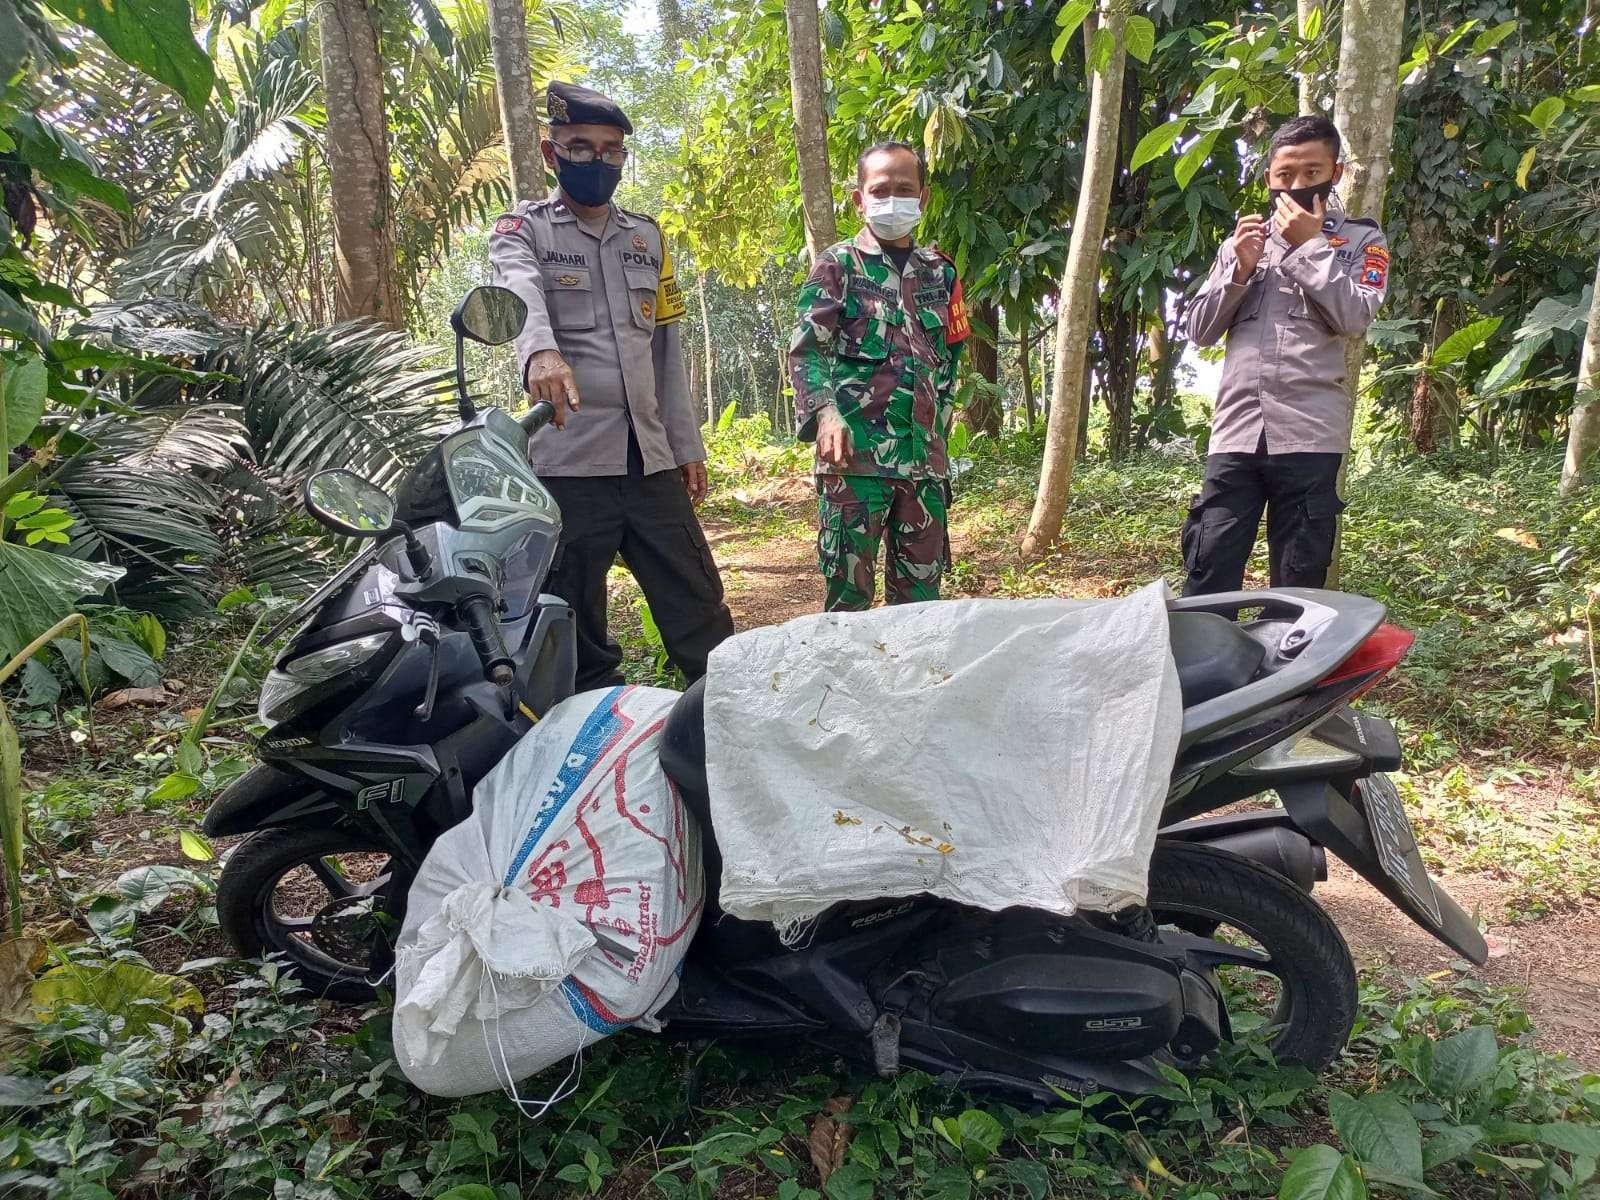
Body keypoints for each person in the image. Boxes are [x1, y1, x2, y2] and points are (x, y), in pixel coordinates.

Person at [489, 81, 733, 689]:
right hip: (569, 463)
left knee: (699, 611)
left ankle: (731, 728)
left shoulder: (648, 239)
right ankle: (590, 744)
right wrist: (541, 351)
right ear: (552, 154)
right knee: (574, 625)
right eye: (580, 147)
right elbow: (518, 289)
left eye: (610, 150)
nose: (597, 161)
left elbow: (665, 350)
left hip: (648, 461)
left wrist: (686, 443)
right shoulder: (523, 230)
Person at [1181, 114, 1390, 596]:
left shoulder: (1361, 242)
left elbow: (1356, 316)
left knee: (1299, 580)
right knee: (1209, 569)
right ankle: (1208, 669)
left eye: (1311, 174)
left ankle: (1293, 671)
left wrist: (1309, 248)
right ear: (1269, 178)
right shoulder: (1243, 242)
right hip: (1236, 433)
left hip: (1309, 434)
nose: (1296, 185)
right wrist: (1239, 269)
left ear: (1335, 173)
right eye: (1285, 176)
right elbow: (1199, 330)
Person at [788, 140, 971, 612]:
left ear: (923, 197)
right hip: (856, 467)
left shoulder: (941, 275)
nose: (893, 199)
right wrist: (826, 414)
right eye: (881, 189)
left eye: (904, 189)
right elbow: (807, 351)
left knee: (922, 604)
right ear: (860, 198)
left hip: (922, 469)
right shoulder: (838, 266)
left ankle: (913, 687)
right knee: (849, 602)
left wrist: (938, 437)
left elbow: (950, 361)